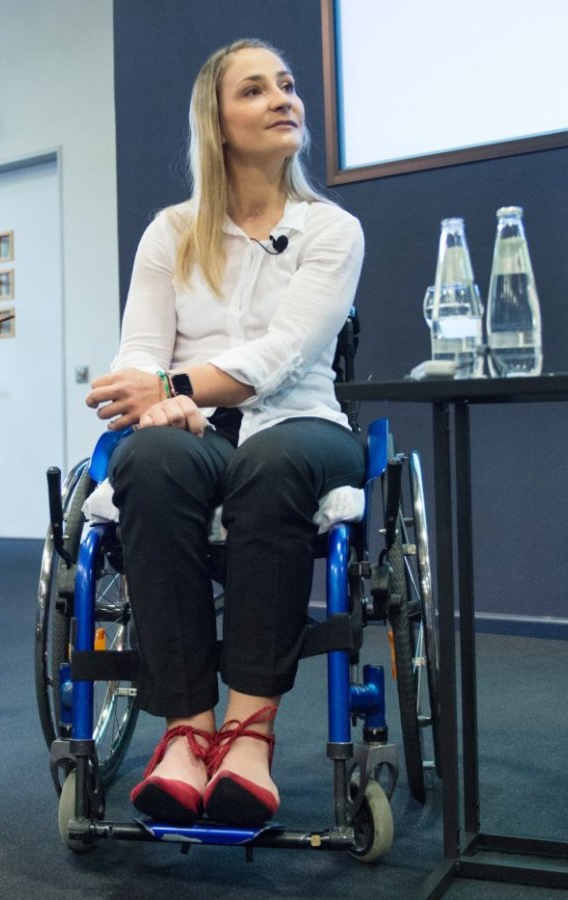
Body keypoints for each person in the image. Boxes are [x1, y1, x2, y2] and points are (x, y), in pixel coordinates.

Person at [84, 38, 365, 827]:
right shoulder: (170, 233)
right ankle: (185, 731)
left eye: (287, 85)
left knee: (270, 464)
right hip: (195, 428)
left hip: (305, 424)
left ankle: (249, 736)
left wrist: (170, 384)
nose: (283, 98)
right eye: (255, 90)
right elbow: (138, 352)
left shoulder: (332, 230)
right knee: (153, 461)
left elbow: (279, 359)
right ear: (217, 121)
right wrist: (155, 402)